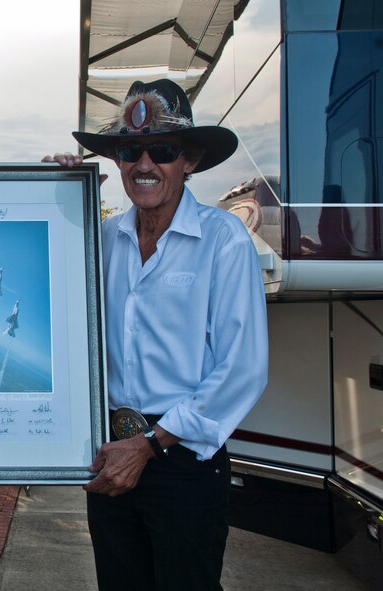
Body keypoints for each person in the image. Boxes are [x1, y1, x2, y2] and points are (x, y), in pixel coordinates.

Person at [45, 78, 268, 590]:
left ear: (188, 160)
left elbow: (243, 368)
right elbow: (52, 303)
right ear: (117, 161)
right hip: (111, 452)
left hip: (182, 462)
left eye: (162, 150)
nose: (144, 164)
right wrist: (52, 201)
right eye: (130, 150)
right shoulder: (101, 240)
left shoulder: (223, 241)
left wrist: (149, 444)